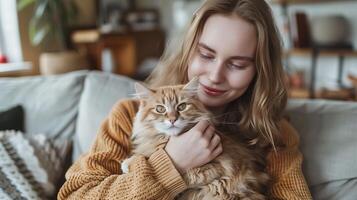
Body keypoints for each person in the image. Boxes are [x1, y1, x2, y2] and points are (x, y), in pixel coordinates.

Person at [58, 0, 312, 199]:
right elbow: (76, 195)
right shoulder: (127, 115)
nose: (214, 77)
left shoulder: (274, 132)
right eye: (206, 55)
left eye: (237, 64)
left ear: (259, 71)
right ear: (188, 51)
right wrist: (170, 165)